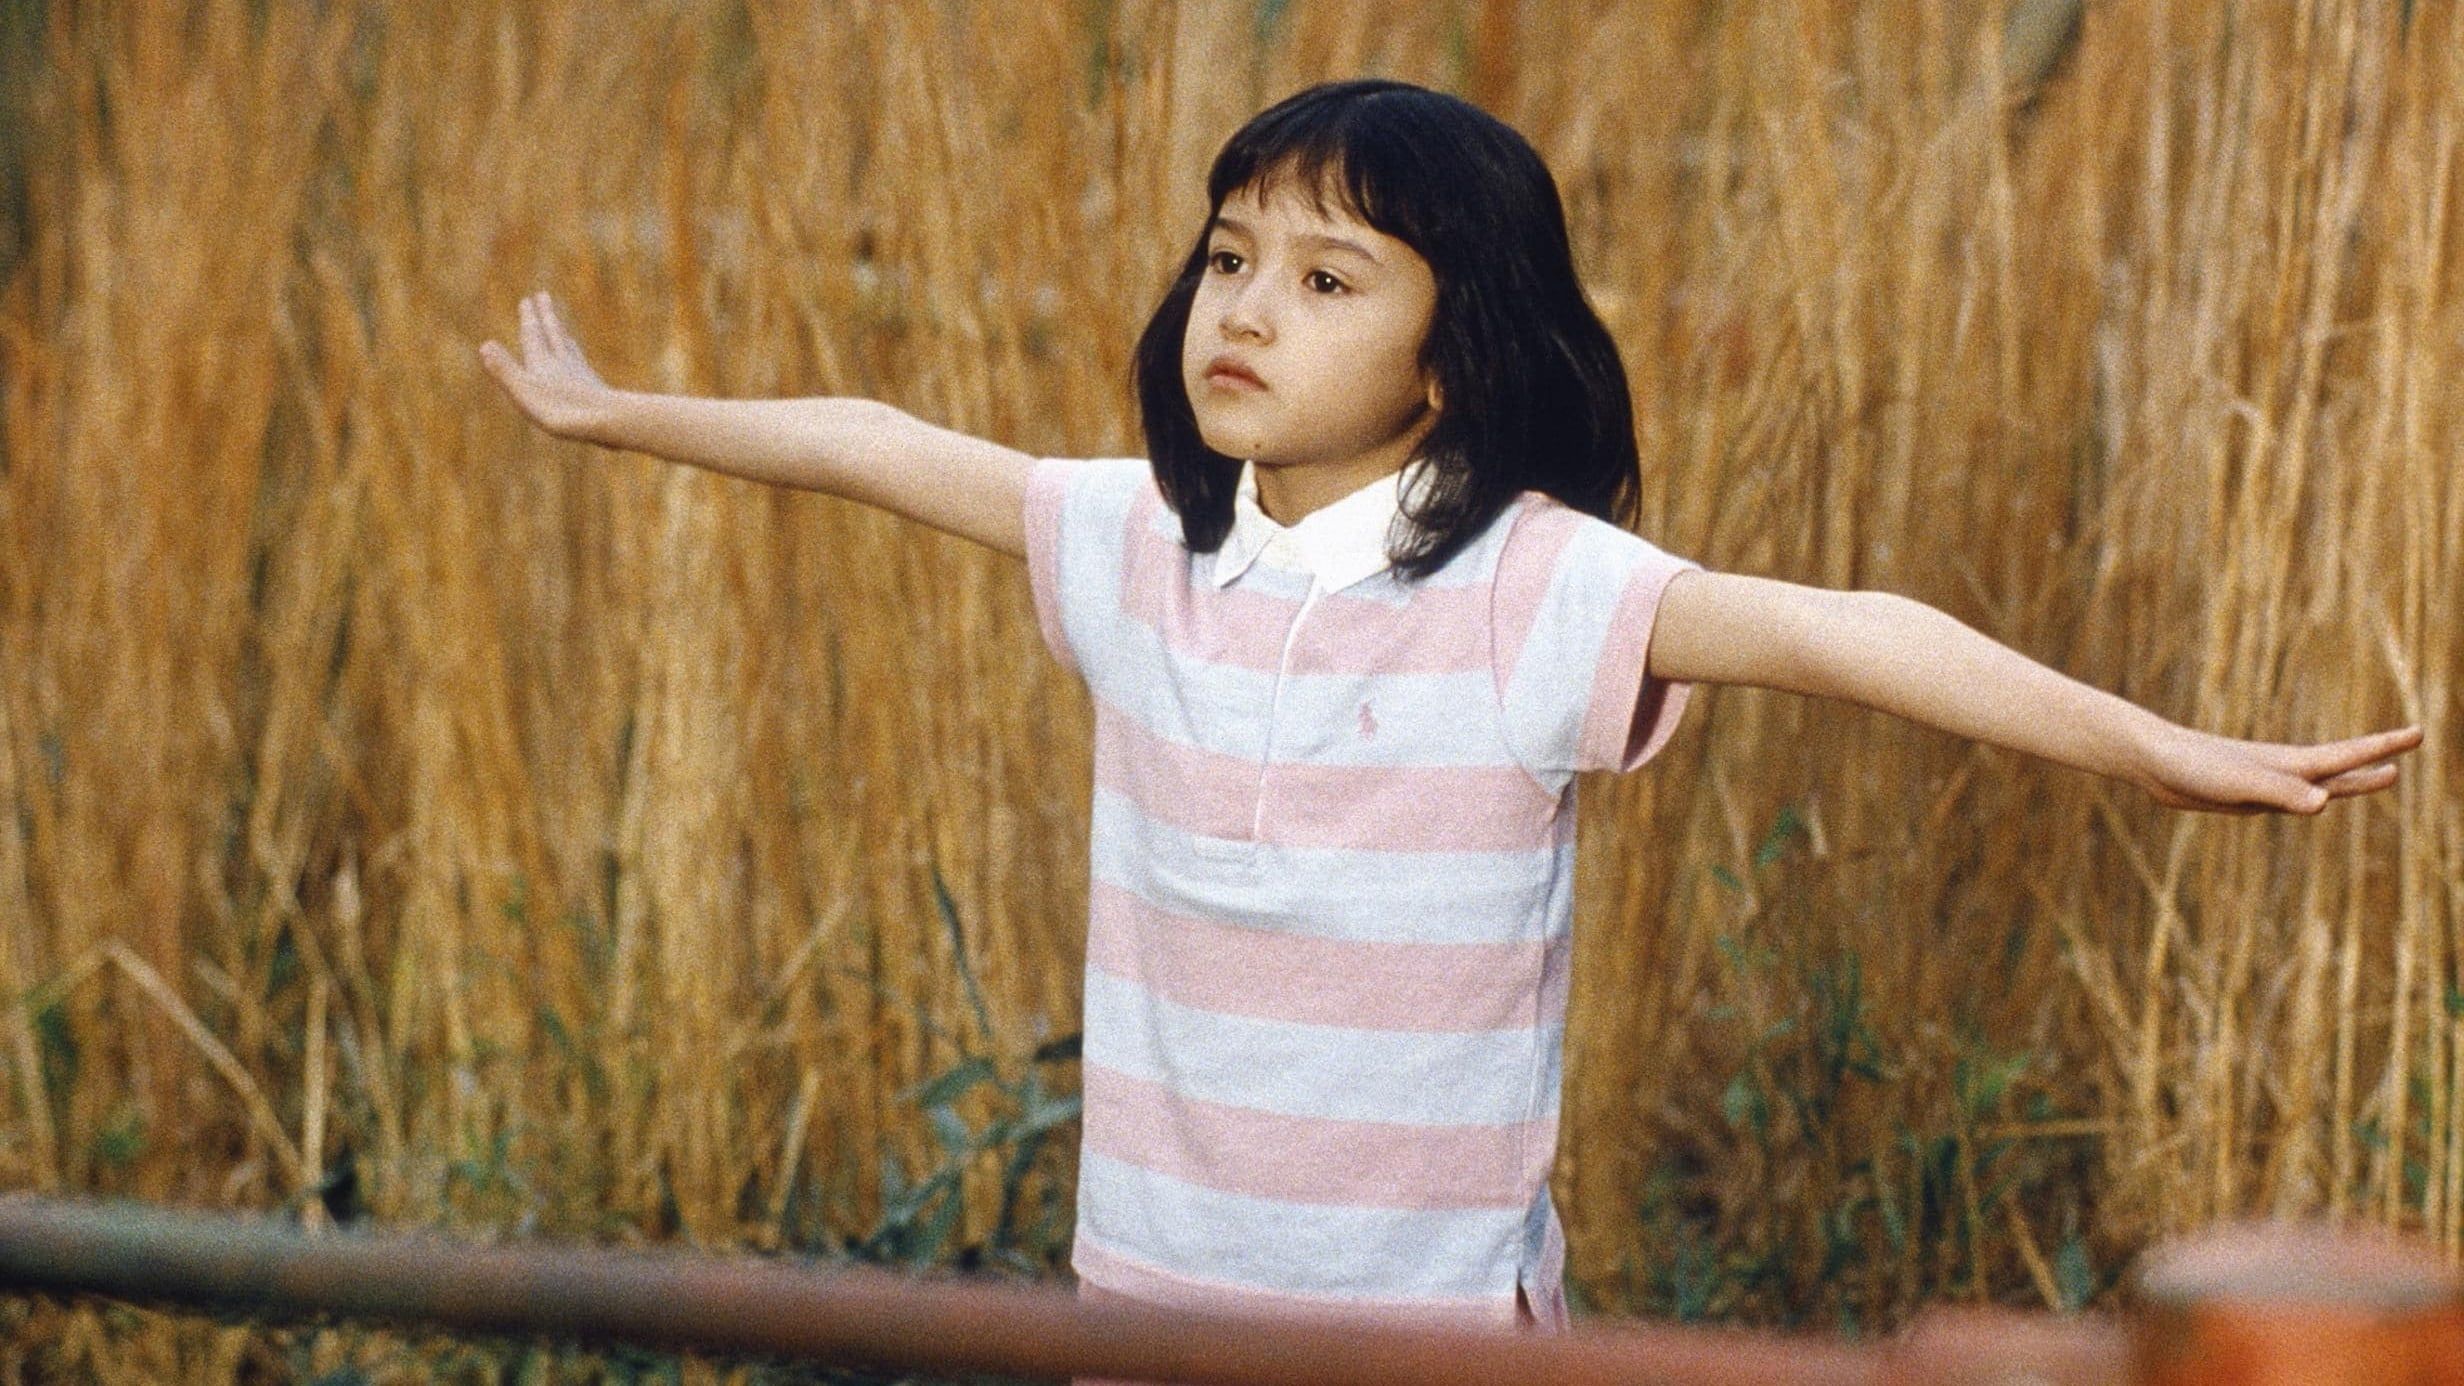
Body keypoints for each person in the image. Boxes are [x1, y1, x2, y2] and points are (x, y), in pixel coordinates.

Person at [480, 78, 2419, 1345]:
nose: (1246, 308)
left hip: (1425, 1331)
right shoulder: (1135, 546)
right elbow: (878, 441)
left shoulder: (1533, 593)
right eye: (1227, 258)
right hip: (1140, 1305)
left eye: (1328, 279)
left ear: (1447, 360)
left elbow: (1845, 631)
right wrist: (619, 415)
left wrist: (2149, 748)